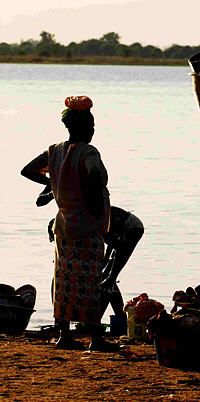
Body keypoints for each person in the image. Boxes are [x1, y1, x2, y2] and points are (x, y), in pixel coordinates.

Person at [21, 96, 112, 350]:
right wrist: (94, 207)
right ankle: (95, 337)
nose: (93, 130)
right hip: (87, 226)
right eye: (91, 126)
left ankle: (65, 334)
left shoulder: (54, 151)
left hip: (63, 225)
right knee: (90, 279)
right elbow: (94, 178)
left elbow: (28, 170)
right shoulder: (89, 152)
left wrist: (54, 185)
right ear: (82, 127)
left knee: (64, 279)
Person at [46, 206, 144, 325]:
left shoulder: (86, 222)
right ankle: (118, 318)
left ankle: (102, 320)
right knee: (107, 278)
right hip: (116, 232)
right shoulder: (80, 221)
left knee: (110, 278)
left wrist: (106, 266)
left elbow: (111, 243)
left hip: (131, 228)